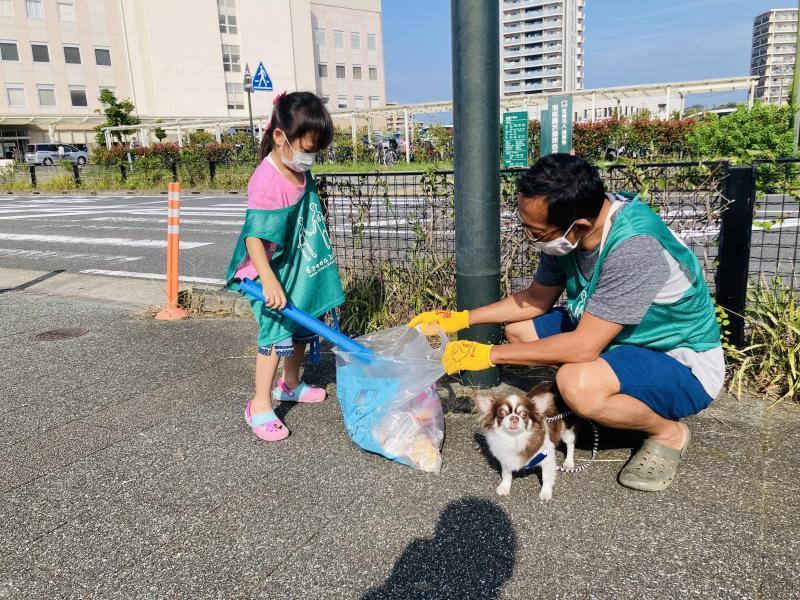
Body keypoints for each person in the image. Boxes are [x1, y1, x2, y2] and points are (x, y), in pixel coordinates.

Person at [410, 154, 724, 492]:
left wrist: (489, 355)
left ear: (579, 227)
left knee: (576, 382)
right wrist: (460, 319)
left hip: (679, 361)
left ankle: (666, 433)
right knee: (520, 332)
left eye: (537, 232)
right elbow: (535, 299)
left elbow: (583, 346)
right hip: (618, 338)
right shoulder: (569, 232)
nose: (532, 237)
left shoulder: (634, 246)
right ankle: (599, 404)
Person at [225, 91, 342, 442]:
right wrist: (269, 280)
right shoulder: (267, 179)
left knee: (301, 329)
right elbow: (254, 237)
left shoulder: (298, 171)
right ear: (280, 138)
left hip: (294, 268)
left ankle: (289, 385)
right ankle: (259, 405)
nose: (310, 158)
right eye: (306, 149)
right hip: (265, 272)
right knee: (276, 338)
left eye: (315, 151)